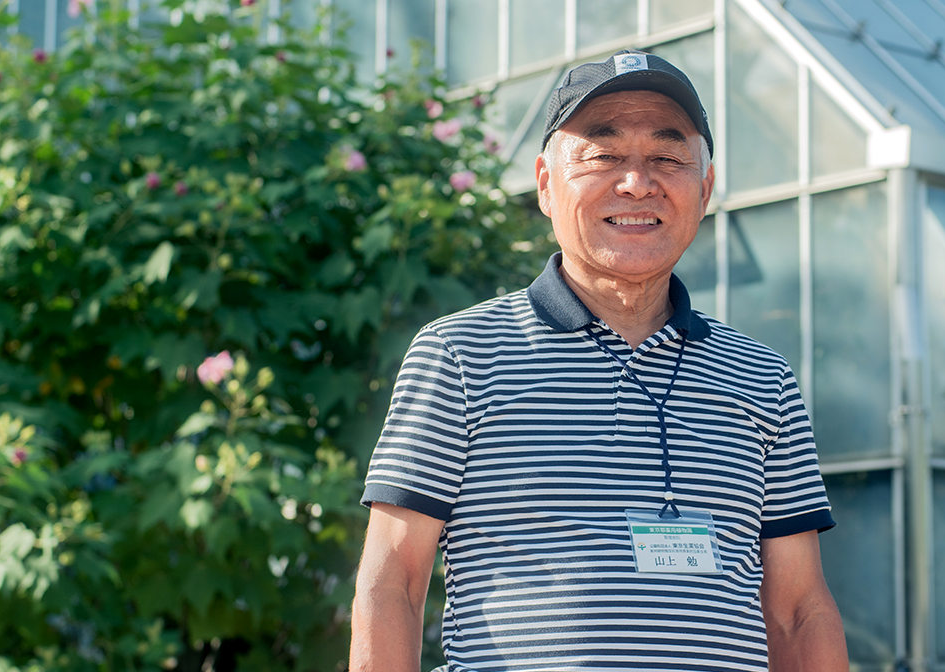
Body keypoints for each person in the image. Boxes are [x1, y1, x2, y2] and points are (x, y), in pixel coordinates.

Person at [349, 50, 849, 672]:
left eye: (667, 158)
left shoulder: (762, 377)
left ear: (705, 189)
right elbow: (392, 579)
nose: (637, 183)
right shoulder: (459, 354)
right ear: (544, 184)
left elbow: (800, 609)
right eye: (602, 155)